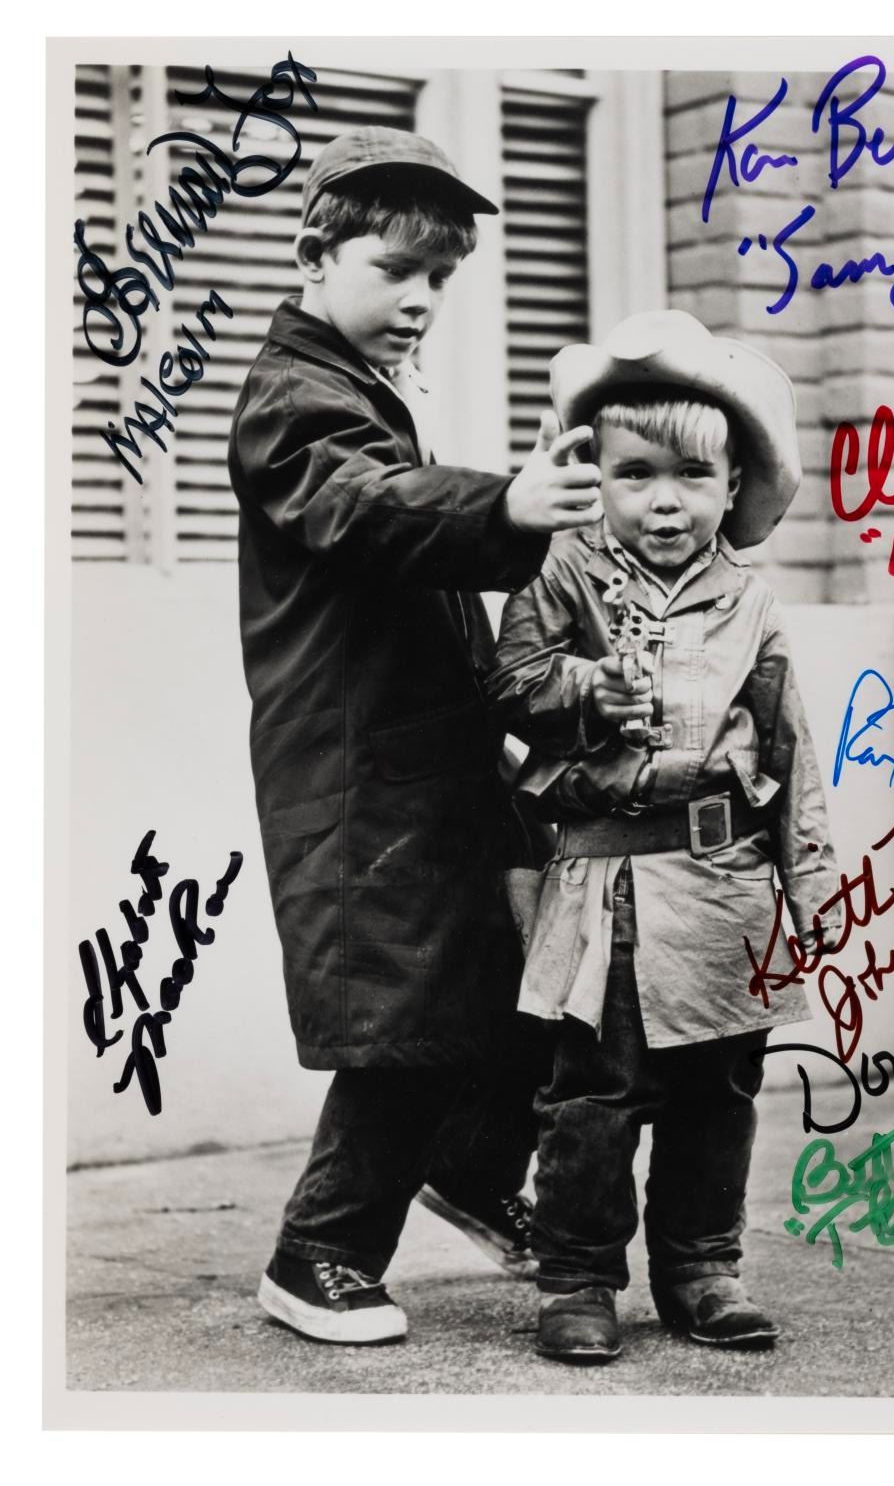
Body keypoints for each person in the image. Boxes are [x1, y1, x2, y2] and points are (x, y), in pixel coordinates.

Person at [227, 127, 602, 1344]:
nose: (422, 299)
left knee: (516, 969)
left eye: (441, 277)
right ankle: (318, 1256)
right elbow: (371, 509)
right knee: (404, 1013)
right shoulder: (294, 401)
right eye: (396, 269)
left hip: (425, 760)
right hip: (356, 773)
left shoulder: (355, 392)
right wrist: (507, 505)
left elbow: (413, 564)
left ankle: (474, 1174)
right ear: (313, 255)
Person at [486, 309, 843, 1364]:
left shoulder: (750, 604)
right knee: (592, 1096)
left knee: (718, 1090)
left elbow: (790, 746)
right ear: (595, 479)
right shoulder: (560, 574)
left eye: (692, 477)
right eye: (634, 475)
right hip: (606, 885)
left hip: (725, 884)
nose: (664, 501)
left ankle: (700, 1269)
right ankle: (578, 1279)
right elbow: (507, 684)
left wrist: (811, 886)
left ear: (732, 488)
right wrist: (582, 688)